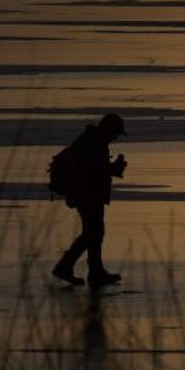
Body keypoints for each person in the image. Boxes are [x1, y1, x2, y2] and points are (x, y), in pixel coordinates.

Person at [51, 113, 128, 288]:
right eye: (115, 133)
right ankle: (66, 267)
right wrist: (114, 168)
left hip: (87, 193)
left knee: (95, 232)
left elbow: (95, 169)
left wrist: (112, 169)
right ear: (108, 129)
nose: (115, 137)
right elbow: (93, 170)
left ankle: (95, 271)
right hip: (86, 193)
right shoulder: (94, 142)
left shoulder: (94, 140)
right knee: (92, 233)